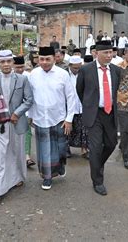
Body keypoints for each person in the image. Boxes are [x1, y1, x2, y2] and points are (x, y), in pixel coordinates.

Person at [0, 50, 33, 205]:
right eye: (2, 62)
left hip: (16, 124)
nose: (6, 65)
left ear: (12, 62)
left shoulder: (22, 79)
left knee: (16, 153)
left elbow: (29, 100)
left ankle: (16, 179)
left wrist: (17, 113)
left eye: (8, 61)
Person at [76, 40, 121, 195]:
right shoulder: (86, 70)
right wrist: (89, 106)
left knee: (111, 143)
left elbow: (115, 90)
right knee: (95, 148)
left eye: (111, 52)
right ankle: (98, 180)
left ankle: (97, 164)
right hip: (94, 114)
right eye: (106, 53)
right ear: (96, 53)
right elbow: (80, 90)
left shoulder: (116, 70)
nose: (109, 56)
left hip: (110, 113)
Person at [28, 46, 76, 190]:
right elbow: (29, 97)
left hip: (59, 118)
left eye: (47, 59)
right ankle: (47, 177)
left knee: (61, 147)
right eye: (41, 59)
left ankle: (60, 166)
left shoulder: (62, 74)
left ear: (54, 59)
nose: (44, 62)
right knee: (44, 150)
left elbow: (71, 97)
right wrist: (30, 115)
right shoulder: (34, 74)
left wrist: (69, 119)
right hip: (40, 118)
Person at [13, 56, 36, 168]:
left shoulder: (28, 77)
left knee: (27, 133)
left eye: (22, 67)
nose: (20, 70)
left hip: (26, 111)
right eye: (17, 67)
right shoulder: (8, 77)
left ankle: (27, 156)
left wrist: (32, 114)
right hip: (11, 112)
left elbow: (31, 97)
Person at [67, 56, 88, 158]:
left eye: (79, 68)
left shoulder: (85, 73)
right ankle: (66, 149)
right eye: (74, 68)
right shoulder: (64, 75)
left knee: (84, 130)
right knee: (68, 129)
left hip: (82, 106)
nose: (77, 70)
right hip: (69, 107)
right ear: (69, 66)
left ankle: (84, 149)